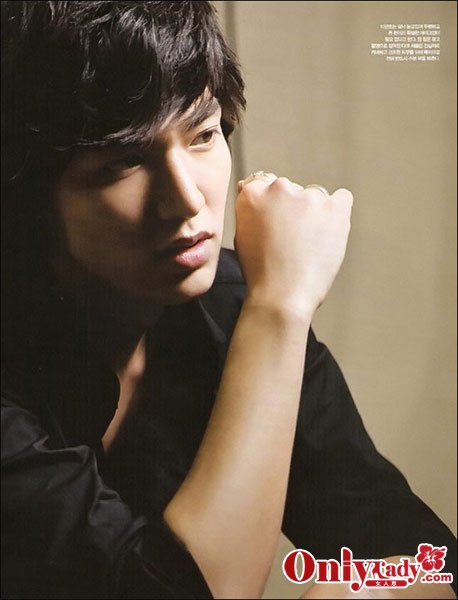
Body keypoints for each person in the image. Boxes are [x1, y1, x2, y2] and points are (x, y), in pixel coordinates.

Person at [1, 2, 456, 599]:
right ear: (30, 193)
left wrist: (368, 592)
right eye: (125, 162)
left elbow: (426, 557)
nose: (187, 201)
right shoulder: (266, 309)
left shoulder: (235, 306)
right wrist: (281, 309)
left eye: (203, 135)